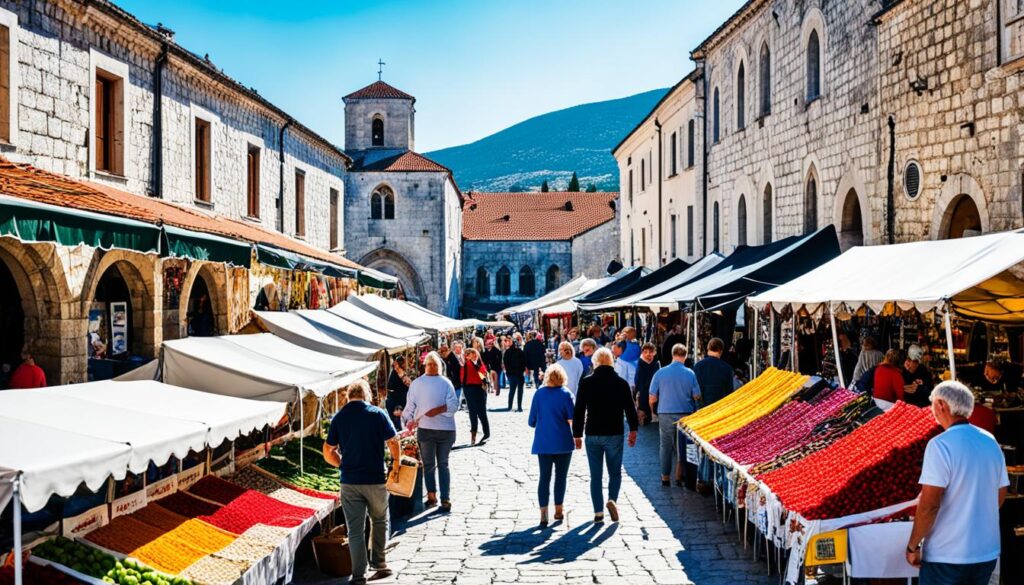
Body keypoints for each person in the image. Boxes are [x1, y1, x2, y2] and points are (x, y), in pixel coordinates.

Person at [905, 381, 1009, 585]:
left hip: (947, 555)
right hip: (985, 552)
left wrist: (913, 546)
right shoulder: (990, 441)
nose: (932, 410)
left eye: (933, 404)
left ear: (942, 405)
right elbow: (1000, 493)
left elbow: (929, 505)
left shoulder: (940, 445)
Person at [323, 380, 400, 585]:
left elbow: (328, 451)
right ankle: (380, 564)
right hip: (375, 479)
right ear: (367, 395)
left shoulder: (340, 417)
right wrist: (396, 464)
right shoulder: (377, 414)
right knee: (379, 520)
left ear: (348, 396)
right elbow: (393, 441)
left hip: (350, 481)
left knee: (355, 529)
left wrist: (341, 464)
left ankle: (358, 576)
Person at [573, 348, 638, 523]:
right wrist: (633, 430)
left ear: (595, 362)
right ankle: (612, 500)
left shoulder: (586, 383)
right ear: (611, 362)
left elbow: (579, 410)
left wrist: (577, 434)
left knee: (595, 476)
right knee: (615, 472)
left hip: (593, 433)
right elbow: (630, 410)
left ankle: (598, 513)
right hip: (614, 432)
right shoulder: (621, 383)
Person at [402, 352, 460, 511]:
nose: (432, 367)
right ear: (425, 366)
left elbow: (454, 406)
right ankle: (434, 496)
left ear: (439, 367)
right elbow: (410, 406)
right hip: (429, 429)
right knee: (433, 464)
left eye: (434, 364)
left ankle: (443, 497)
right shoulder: (419, 383)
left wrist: (437, 410)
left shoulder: (444, 382)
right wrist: (407, 421)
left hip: (443, 430)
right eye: (430, 364)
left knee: (439, 464)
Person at [528, 364, 575, 526]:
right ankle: (559, 509)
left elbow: (531, 421)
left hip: (544, 442)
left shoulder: (539, 394)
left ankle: (543, 513)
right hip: (563, 441)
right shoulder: (566, 394)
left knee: (544, 477)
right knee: (560, 478)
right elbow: (572, 418)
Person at [649, 344, 702, 487]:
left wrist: (653, 410)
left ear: (672, 355)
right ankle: (680, 476)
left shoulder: (660, 373)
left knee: (665, 445)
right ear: (685, 356)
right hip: (685, 413)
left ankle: (665, 477)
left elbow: (652, 397)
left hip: (665, 412)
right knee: (683, 446)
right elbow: (696, 396)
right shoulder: (690, 373)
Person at [692, 338, 734, 407]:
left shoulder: (698, 366)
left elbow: (694, 391)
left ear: (708, 348)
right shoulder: (727, 368)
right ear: (721, 351)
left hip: (701, 409)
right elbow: (729, 393)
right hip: (719, 408)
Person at [461, 348, 490, 445]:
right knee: (473, 412)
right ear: (467, 356)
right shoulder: (466, 364)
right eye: (471, 354)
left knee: (482, 412)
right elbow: (463, 378)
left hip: (479, 389)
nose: (474, 355)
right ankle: (473, 435)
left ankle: (486, 433)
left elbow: (483, 375)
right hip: (469, 389)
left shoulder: (480, 364)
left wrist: (484, 380)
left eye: (475, 353)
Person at [634, 342, 661, 426]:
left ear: (654, 352)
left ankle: (652, 415)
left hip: (654, 389)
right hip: (643, 389)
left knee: (653, 404)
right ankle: (643, 417)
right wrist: (638, 390)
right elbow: (637, 378)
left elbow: (658, 376)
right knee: (643, 408)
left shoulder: (656, 363)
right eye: (645, 352)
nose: (648, 354)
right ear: (642, 352)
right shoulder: (640, 362)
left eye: (650, 352)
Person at [385, 356, 412, 430]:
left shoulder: (395, 372)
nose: (407, 364)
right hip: (397, 401)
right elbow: (409, 384)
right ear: (402, 364)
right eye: (405, 363)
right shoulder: (398, 372)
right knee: (399, 422)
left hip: (397, 399)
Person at [503, 335, 527, 411]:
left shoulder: (508, 352)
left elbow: (505, 363)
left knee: (512, 390)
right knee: (519, 391)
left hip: (512, 374)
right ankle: (519, 407)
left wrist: (508, 373)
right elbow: (524, 362)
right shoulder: (520, 351)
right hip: (519, 374)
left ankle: (510, 406)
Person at [445, 341, 465, 406]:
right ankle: (456, 403)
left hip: (463, 376)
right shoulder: (451, 355)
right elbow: (447, 364)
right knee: (456, 390)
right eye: (456, 347)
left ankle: (460, 403)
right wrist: (449, 375)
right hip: (455, 376)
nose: (457, 349)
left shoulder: (463, 355)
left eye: (459, 347)